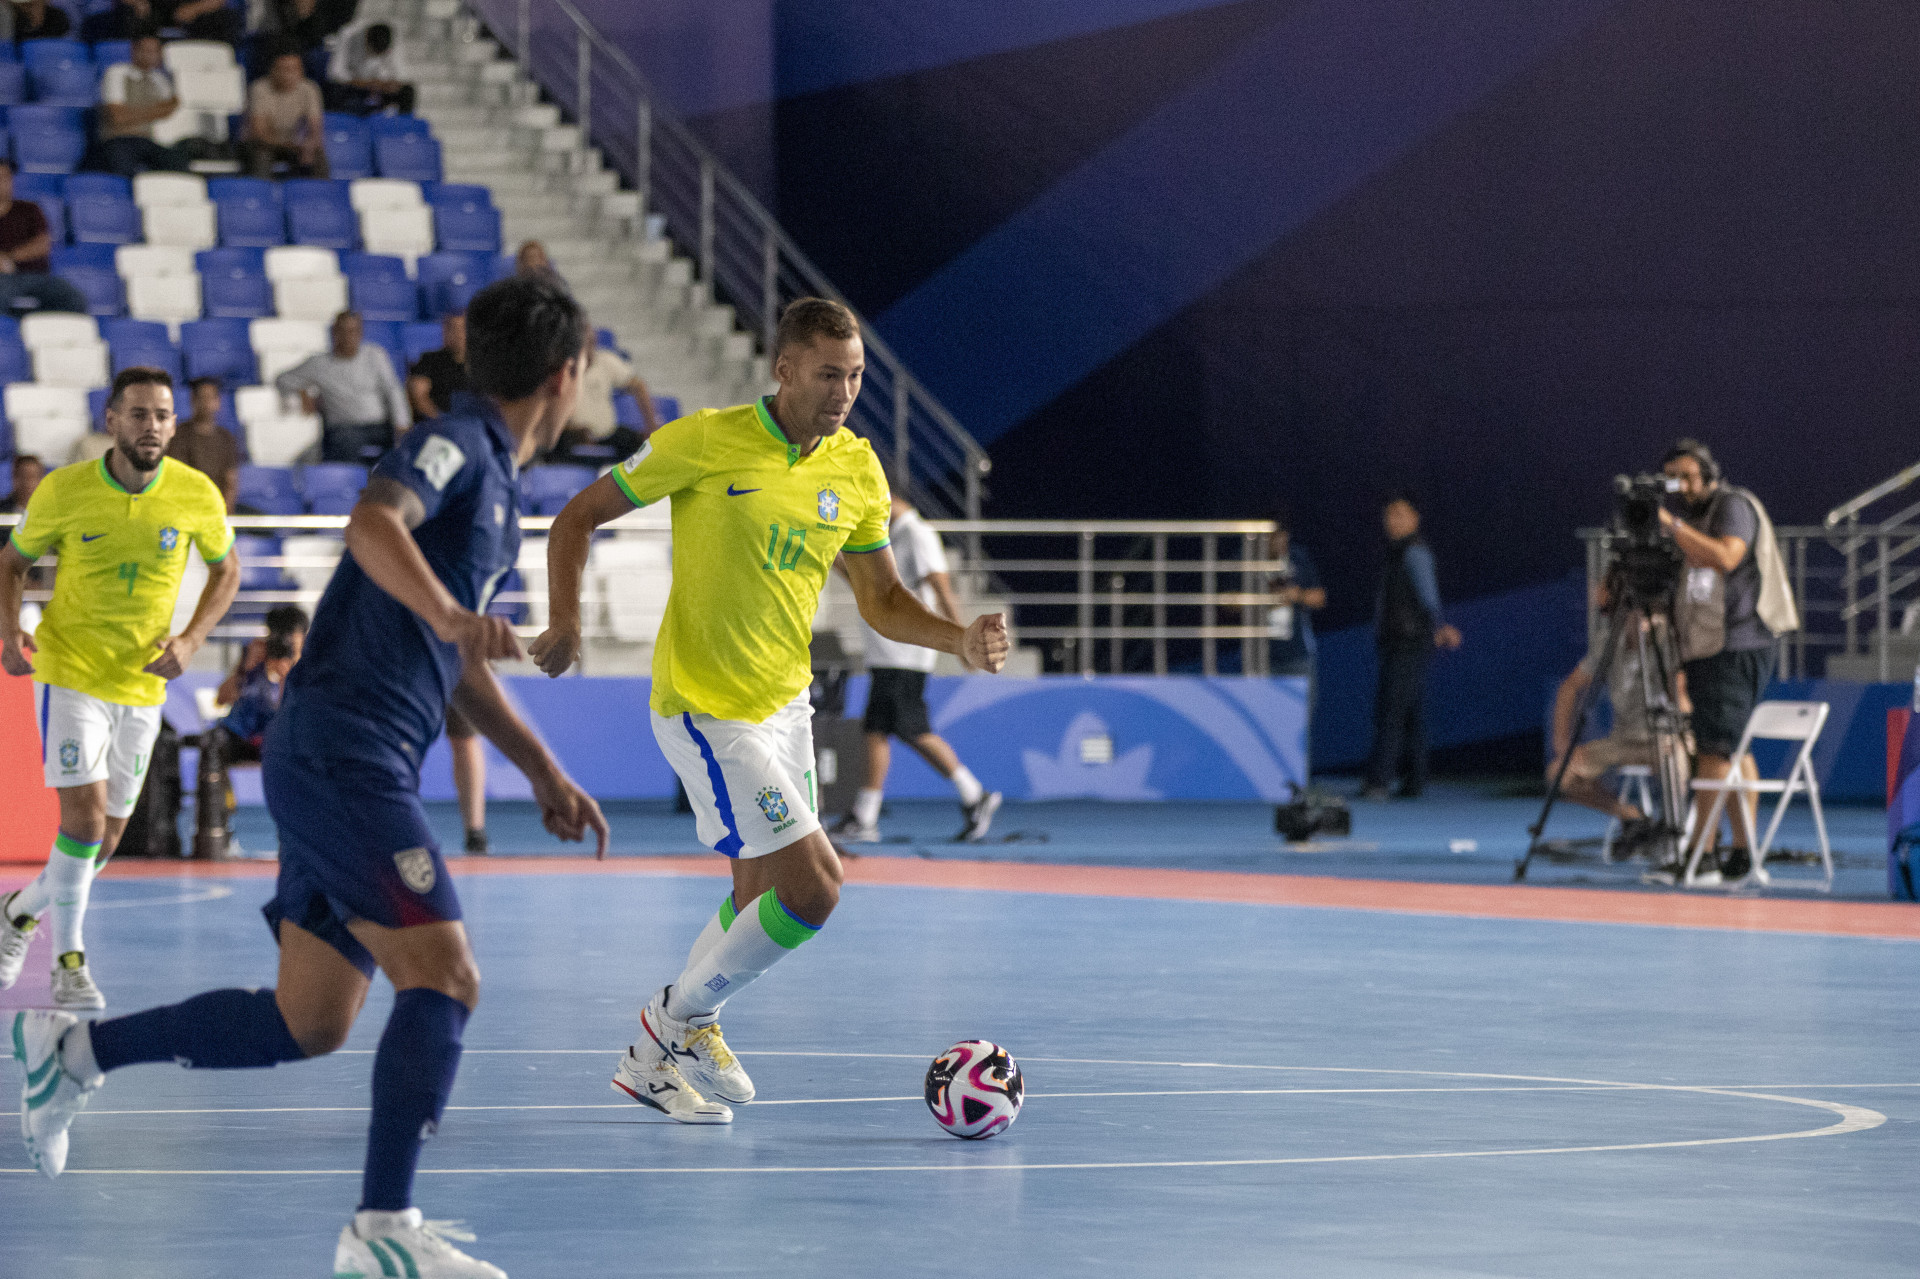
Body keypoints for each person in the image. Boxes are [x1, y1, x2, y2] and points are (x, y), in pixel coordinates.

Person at [6, 275, 608, 1279]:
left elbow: (455, 664)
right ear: (567, 374)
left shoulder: (501, 487)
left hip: (352, 755)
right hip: (342, 751)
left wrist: (542, 767)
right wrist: (456, 615)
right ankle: (382, 1230)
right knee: (445, 977)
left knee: (311, 1019)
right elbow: (373, 523)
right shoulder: (454, 444)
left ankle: (72, 1056)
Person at [532, 296, 1009, 1125]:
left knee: (759, 897)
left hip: (786, 708)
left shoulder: (857, 469)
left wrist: (957, 638)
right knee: (817, 888)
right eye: (829, 373)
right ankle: (677, 1016)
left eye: (855, 375)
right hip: (707, 709)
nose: (844, 391)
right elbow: (578, 516)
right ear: (785, 368)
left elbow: (883, 598)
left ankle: (655, 1058)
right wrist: (566, 619)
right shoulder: (707, 441)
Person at [0, 367, 241, 1009]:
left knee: (104, 842)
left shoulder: (195, 494)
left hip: (142, 686)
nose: (152, 426)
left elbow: (228, 571)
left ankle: (17, 913)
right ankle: (69, 964)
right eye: (138, 414)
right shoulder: (66, 490)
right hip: (70, 670)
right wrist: (7, 634)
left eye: (162, 415)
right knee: (80, 823)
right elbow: (12, 562)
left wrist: (190, 641)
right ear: (111, 420)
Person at [830, 487, 1002, 843]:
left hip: (905, 652)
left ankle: (973, 796)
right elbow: (871, 588)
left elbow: (940, 584)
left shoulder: (917, 532)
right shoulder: (890, 535)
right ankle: (869, 814)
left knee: (904, 730)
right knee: (884, 729)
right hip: (888, 651)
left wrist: (964, 641)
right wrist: (833, 557)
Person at [1659, 438, 1793, 881]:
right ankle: (1742, 851)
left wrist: (1671, 526)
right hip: (1709, 645)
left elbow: (1727, 557)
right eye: (1672, 478)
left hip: (1737, 645)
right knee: (1732, 746)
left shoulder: (1733, 505)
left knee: (1714, 748)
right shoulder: (1693, 519)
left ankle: (1702, 854)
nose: (1679, 486)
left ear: (1710, 475)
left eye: (1687, 476)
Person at [1362, 493, 1462, 800]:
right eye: (1389, 515)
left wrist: (1440, 627)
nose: (1393, 521)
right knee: (1411, 712)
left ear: (1415, 519)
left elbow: (1428, 597)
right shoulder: (1397, 553)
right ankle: (1415, 780)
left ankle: (1380, 781)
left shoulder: (1414, 554)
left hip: (1408, 644)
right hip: (1400, 642)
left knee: (1391, 711)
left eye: (1400, 515)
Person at [276, 310, 410, 463]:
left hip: (379, 427)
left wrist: (402, 425)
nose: (348, 337)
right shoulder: (319, 363)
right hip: (343, 429)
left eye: (353, 331)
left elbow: (393, 390)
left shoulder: (375, 355)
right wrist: (303, 392)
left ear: (360, 333)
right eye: (343, 331)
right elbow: (282, 379)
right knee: (344, 443)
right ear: (334, 333)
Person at [85, 28, 191, 179]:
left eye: (154, 51)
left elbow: (173, 106)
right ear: (134, 51)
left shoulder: (159, 79)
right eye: (145, 50)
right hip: (119, 140)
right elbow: (118, 117)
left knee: (178, 166)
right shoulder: (117, 73)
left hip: (151, 140)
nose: (150, 55)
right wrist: (158, 112)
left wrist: (133, 113)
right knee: (123, 172)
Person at [0, 160, 89, 315]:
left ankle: (45, 330)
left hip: (36, 276)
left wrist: (9, 258)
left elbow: (43, 244)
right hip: (2, 279)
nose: (4, 183)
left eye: (7, 177)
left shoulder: (29, 209)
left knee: (74, 298)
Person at [551, 340, 658, 461]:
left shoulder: (604, 360)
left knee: (641, 444)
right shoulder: (560, 367)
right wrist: (571, 429)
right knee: (554, 443)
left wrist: (651, 426)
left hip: (607, 434)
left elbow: (638, 385)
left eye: (590, 342)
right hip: (570, 436)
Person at [241, 42, 328, 180]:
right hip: (262, 143)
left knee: (317, 153)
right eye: (285, 69)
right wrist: (290, 145)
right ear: (273, 70)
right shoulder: (259, 89)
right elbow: (260, 132)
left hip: (291, 142)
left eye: (295, 69)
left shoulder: (309, 89)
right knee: (262, 155)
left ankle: (320, 194)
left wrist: (308, 145)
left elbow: (315, 128)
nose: (290, 74)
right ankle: (261, 194)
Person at [166, 377, 242, 511]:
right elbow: (178, 479)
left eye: (211, 398)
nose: (207, 403)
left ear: (218, 402)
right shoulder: (179, 435)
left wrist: (224, 512)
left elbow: (230, 481)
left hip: (219, 507)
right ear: (193, 400)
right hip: (189, 507)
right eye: (202, 397)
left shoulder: (226, 437)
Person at [327, 21, 414, 115]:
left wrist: (386, 84)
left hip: (378, 86)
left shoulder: (393, 43)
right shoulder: (348, 35)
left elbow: (400, 75)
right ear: (366, 39)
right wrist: (365, 83)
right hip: (354, 85)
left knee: (407, 91)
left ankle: (403, 124)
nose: (375, 57)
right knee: (338, 90)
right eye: (372, 52)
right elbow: (335, 73)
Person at [82, 0, 240, 45]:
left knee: (228, 18)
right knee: (126, 16)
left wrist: (195, 9)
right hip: (151, 12)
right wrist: (137, 3)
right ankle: (140, 56)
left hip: (190, 14)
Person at [408, 312, 469, 420]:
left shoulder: (484, 363)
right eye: (452, 328)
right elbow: (419, 396)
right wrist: (441, 421)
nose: (458, 334)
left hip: (475, 428)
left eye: (463, 329)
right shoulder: (428, 360)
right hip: (438, 426)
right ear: (444, 331)